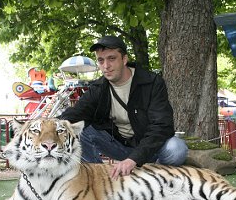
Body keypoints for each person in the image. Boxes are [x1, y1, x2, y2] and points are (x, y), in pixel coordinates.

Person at [60, 35, 188, 179]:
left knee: (177, 149)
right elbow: (76, 113)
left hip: (149, 149)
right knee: (80, 129)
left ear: (124, 59)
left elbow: (162, 126)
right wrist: (47, 125)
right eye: (101, 60)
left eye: (111, 58)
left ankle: (154, 178)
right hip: (119, 146)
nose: (106, 66)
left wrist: (134, 159)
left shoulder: (152, 83)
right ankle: (99, 178)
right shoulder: (98, 87)